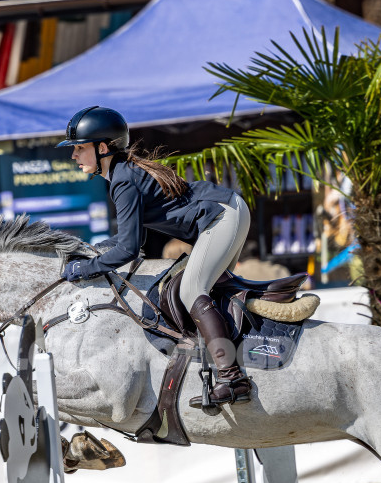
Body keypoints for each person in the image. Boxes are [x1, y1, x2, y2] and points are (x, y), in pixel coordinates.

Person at [57, 106, 252, 406]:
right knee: (209, 289)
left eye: (79, 148)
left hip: (221, 217)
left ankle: (233, 378)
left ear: (102, 147)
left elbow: (129, 250)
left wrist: (86, 269)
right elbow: (133, 239)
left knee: (191, 290)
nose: (73, 156)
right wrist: (91, 254)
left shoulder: (123, 180)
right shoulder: (121, 173)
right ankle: (239, 356)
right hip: (228, 211)